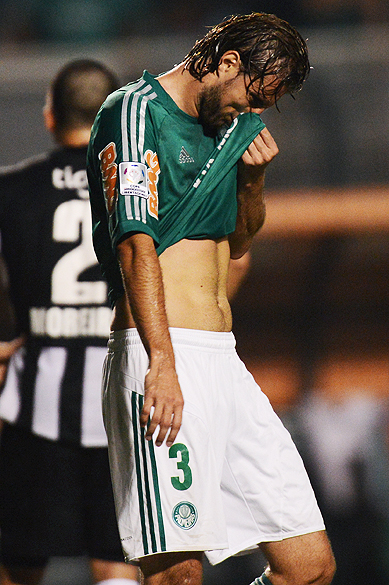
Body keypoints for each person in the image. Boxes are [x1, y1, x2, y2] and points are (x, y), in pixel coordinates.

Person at [87, 12, 336, 585]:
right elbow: (135, 247)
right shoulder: (135, 112)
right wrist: (162, 363)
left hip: (224, 361)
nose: (251, 115)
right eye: (252, 97)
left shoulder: (232, 128)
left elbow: (240, 239)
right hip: (160, 355)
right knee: (178, 575)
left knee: (311, 569)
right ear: (226, 63)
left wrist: (253, 182)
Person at [0, 59, 139, 585]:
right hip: (123, 404)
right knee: (116, 560)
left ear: (50, 116)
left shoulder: (11, 191)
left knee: (18, 562)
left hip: (35, 405)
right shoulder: (142, 189)